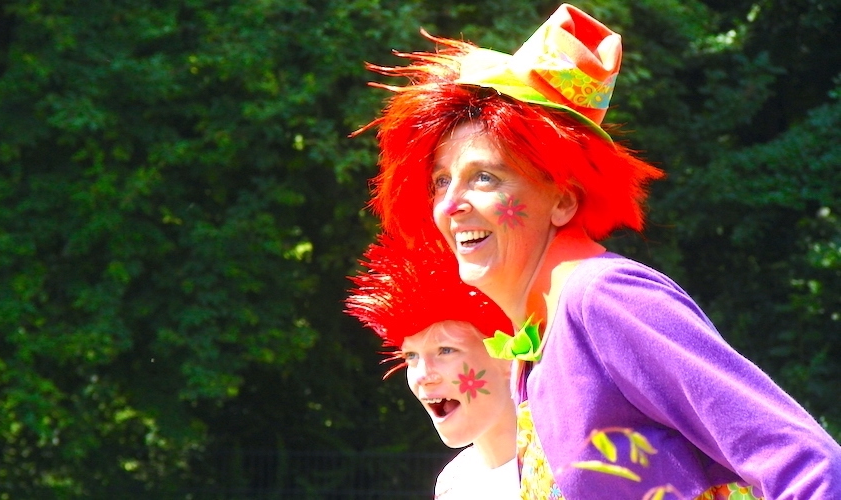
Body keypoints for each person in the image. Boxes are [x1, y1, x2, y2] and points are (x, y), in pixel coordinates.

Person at [358, 3, 841, 499]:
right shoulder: (537, 342)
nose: (452, 204)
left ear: (563, 200)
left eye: (485, 177)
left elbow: (807, 463)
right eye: (441, 182)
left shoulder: (600, 297)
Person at [346, 233, 519, 499]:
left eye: (446, 350)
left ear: (507, 356)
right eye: (411, 357)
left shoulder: (569, 469)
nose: (423, 376)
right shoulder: (454, 483)